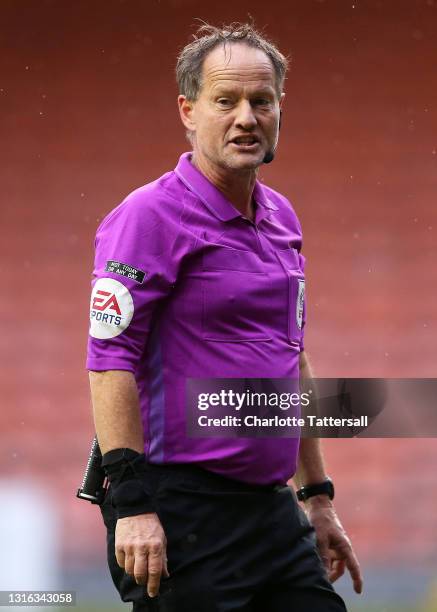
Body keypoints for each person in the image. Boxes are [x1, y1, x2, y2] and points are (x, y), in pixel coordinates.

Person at [86, 22, 363, 612]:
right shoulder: (148, 216)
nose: (246, 118)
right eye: (226, 101)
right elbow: (109, 360)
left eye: (262, 102)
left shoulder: (282, 216)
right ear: (188, 111)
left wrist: (316, 496)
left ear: (279, 109)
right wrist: (132, 505)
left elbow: (292, 357)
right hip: (183, 513)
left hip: (270, 510)